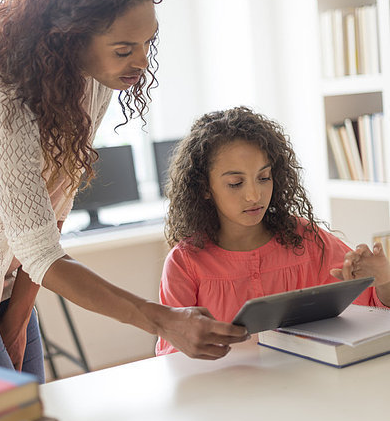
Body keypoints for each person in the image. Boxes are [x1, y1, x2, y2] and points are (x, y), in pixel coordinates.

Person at [0, 0, 248, 382]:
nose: (140, 62)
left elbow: (51, 216)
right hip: (13, 264)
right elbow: (39, 250)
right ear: (68, 39)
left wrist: (15, 318)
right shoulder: (3, 102)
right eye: (124, 49)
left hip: (10, 277)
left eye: (147, 43)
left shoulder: (93, 82)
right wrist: (165, 320)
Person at [156, 106, 390, 356]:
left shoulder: (306, 239)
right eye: (236, 183)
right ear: (204, 188)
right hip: (225, 391)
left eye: (264, 177)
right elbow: (172, 356)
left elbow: (373, 312)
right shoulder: (185, 263)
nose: (254, 195)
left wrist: (385, 280)